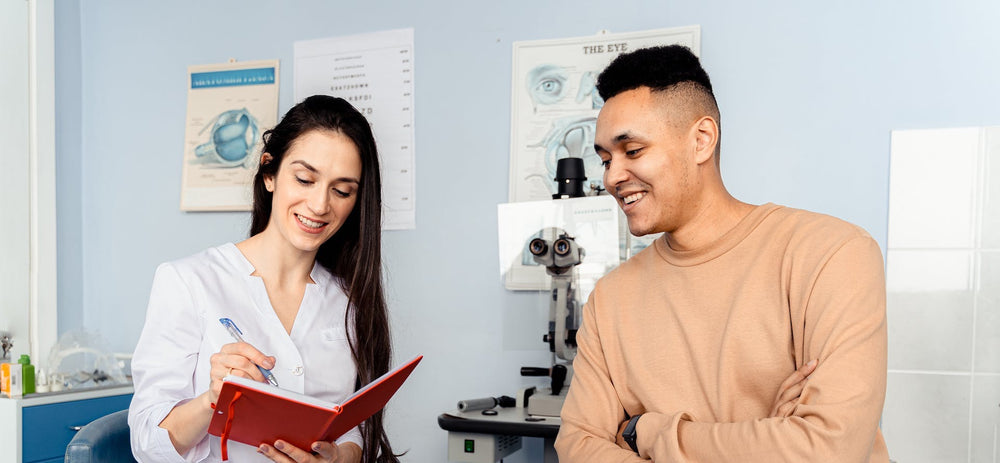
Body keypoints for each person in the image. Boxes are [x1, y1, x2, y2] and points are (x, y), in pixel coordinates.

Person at [554, 45, 890, 462]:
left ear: (701, 140)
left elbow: (827, 450)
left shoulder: (831, 254)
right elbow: (577, 446)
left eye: (633, 151)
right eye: (605, 159)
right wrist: (767, 437)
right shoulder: (609, 299)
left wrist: (650, 432)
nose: (612, 176)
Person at [129, 95, 399, 463]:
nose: (320, 205)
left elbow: (352, 425)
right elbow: (147, 443)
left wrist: (338, 458)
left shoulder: (347, 299)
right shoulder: (188, 281)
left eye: (341, 190)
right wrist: (213, 400)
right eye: (304, 179)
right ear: (269, 173)